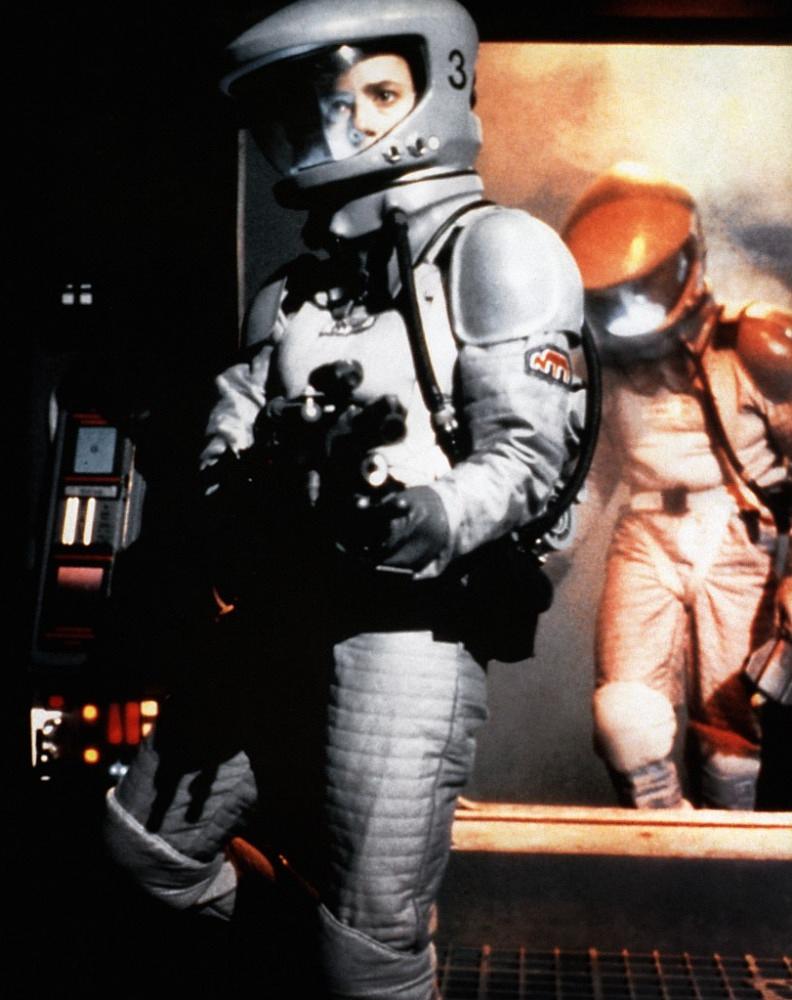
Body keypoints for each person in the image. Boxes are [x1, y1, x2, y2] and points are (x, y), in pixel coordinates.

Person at [103, 1, 585, 997]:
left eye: (380, 94)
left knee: (368, 949)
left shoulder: (498, 254)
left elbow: (530, 459)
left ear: (440, 85)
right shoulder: (292, 295)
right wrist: (236, 504)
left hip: (407, 627)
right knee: (143, 850)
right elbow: (232, 431)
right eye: (328, 105)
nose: (350, 125)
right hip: (276, 611)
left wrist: (423, 516)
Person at [562, 162, 792, 811]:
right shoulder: (603, 367)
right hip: (645, 536)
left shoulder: (759, 346)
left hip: (738, 535)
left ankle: (728, 849)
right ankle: (659, 831)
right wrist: (545, 558)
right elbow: (592, 475)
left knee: (730, 731)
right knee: (625, 716)